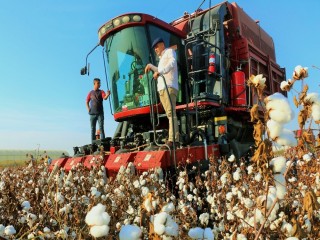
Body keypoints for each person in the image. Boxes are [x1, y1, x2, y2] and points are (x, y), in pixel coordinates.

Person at [145, 37, 179, 147]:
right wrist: (150, 66)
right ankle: (172, 138)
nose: (155, 49)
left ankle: (173, 140)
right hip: (162, 89)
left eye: (156, 46)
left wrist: (159, 71)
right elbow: (159, 71)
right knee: (169, 114)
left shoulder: (170, 52)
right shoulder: (161, 59)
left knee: (171, 113)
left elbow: (172, 63)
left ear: (162, 45)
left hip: (169, 86)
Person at [86, 78, 111, 142]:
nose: (99, 85)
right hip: (92, 114)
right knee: (92, 129)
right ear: (94, 84)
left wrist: (107, 95)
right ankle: (93, 143)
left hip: (100, 113)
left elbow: (104, 98)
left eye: (100, 83)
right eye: (98, 83)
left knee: (101, 128)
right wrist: (88, 109)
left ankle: (103, 143)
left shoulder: (101, 91)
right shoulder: (90, 93)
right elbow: (86, 101)